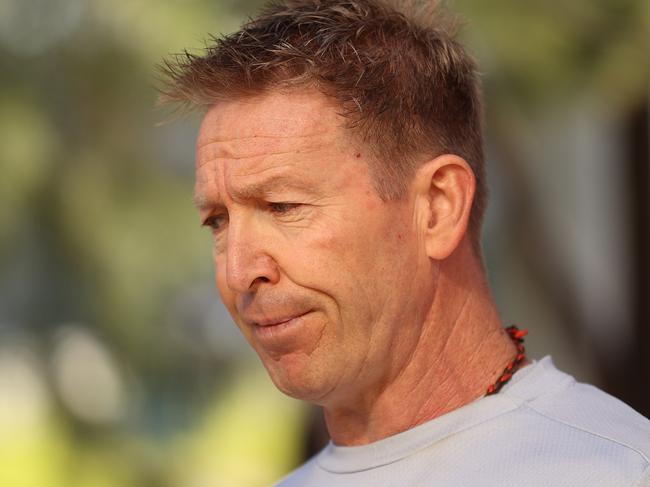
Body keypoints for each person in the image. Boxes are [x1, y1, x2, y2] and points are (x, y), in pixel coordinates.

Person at [159, 0, 650, 485]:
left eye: (283, 207)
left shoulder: (615, 469)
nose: (238, 272)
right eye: (217, 222)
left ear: (438, 206)